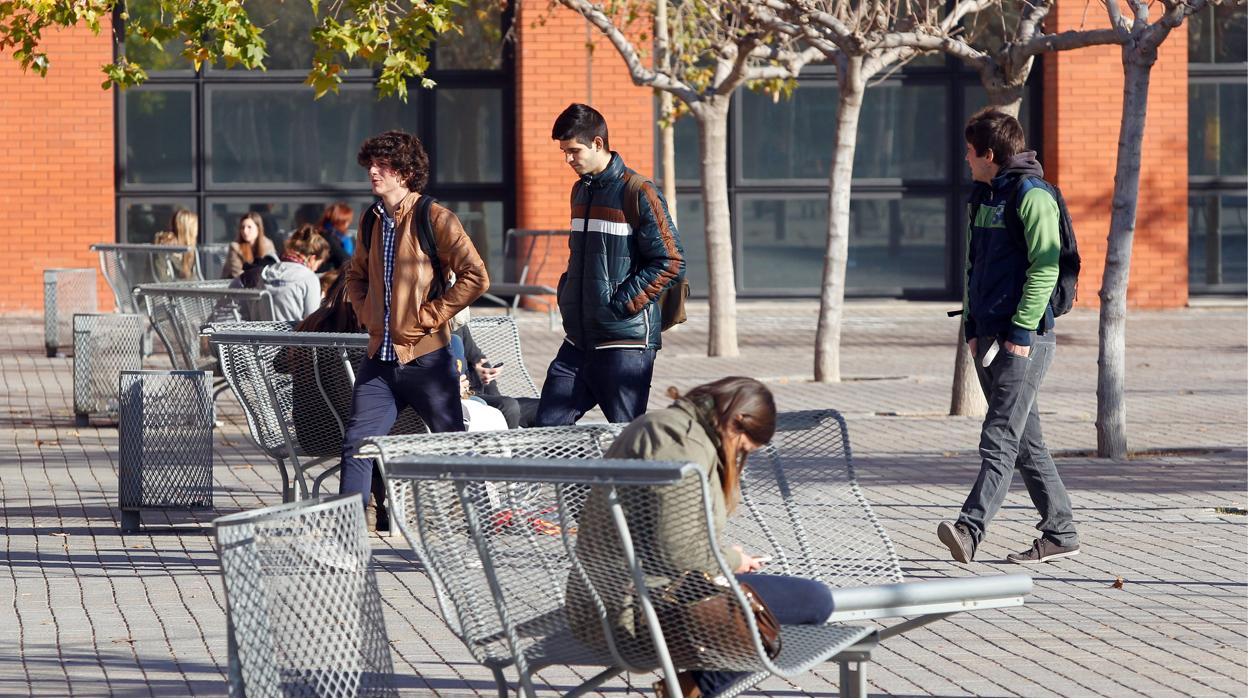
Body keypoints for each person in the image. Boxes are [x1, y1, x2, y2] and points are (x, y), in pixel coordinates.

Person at [568, 377, 832, 698]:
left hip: (640, 592)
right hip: (631, 611)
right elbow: (676, 551)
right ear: (737, 421)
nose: (738, 460)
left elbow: (668, 539)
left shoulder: (679, 429)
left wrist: (726, 561)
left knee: (782, 609)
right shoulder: (679, 441)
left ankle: (693, 689)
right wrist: (733, 560)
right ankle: (694, 689)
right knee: (813, 601)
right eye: (743, 450)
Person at [937, 108, 1080, 565]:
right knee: (1024, 440)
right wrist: (973, 329)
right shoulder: (984, 196)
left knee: (999, 434)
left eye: (970, 150)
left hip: (1027, 339)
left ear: (990, 154)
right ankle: (1060, 531)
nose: (965, 157)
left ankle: (970, 529)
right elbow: (973, 267)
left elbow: (1046, 266)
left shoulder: (1031, 196)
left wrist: (1021, 330)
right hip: (990, 337)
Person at [337, 129, 489, 506]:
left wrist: (431, 316)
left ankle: (480, 524)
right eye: (370, 164)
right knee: (358, 445)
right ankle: (346, 534)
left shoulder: (434, 216)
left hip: (428, 358)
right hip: (380, 361)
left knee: (453, 445)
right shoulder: (371, 219)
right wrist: (367, 311)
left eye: (382, 165)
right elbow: (355, 275)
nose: (373, 171)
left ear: (404, 173)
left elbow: (476, 275)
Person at [535, 103, 685, 427]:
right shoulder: (580, 191)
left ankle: (648, 480)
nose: (567, 160)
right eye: (564, 152)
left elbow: (671, 261)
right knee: (548, 429)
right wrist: (568, 291)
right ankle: (580, 481)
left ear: (598, 144)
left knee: (626, 440)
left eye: (573, 151)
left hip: (624, 345)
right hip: (578, 341)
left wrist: (619, 304)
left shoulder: (639, 191)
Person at [232, 224, 328, 322]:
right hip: (292, 336)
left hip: (260, 335)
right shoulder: (309, 278)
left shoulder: (263, 272)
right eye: (318, 265)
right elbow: (312, 322)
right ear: (313, 259)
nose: (315, 269)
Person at [221, 212, 277, 279]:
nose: (245, 231)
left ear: (258, 228)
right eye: (242, 227)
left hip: (261, 284)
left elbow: (272, 269)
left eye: (249, 227)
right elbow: (237, 273)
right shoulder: (235, 247)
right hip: (235, 285)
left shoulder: (268, 245)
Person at [153, 208, 199, 280]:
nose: (197, 231)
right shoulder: (167, 249)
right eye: (195, 227)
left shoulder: (190, 251)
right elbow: (164, 279)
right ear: (188, 230)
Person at [318, 202, 355, 272]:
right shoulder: (327, 236)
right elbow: (345, 259)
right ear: (339, 221)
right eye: (346, 221)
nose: (348, 224)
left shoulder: (343, 237)